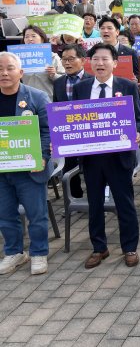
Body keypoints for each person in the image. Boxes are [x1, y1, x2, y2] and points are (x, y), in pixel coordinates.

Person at [73, 44, 140, 269]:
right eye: (95, 59)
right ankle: (99, 248)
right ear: (89, 62)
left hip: (119, 156)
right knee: (95, 204)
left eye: (105, 59)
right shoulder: (81, 88)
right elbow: (71, 119)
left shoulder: (128, 86)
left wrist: (137, 131)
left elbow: (139, 118)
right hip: (91, 157)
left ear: (115, 63)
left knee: (125, 203)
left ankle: (130, 248)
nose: (100, 63)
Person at [0, 52, 52, 276]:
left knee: (36, 213)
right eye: (0, 69)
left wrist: (42, 156)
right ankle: (14, 252)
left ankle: (39, 252)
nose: (4, 73)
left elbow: (49, 131)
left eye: (9, 68)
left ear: (20, 72)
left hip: (30, 167)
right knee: (5, 213)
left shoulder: (37, 97)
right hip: (2, 169)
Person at [52, 43, 94, 198]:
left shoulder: (93, 80)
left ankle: (96, 200)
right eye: (64, 59)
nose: (67, 63)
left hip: (90, 132)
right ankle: (76, 200)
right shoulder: (58, 82)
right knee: (69, 167)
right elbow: (56, 107)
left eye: (71, 59)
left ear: (82, 60)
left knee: (92, 168)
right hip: (68, 132)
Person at [19, 25, 64, 99]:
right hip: (26, 99)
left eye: (33, 36)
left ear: (42, 39)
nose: (30, 39)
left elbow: (64, 80)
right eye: (26, 37)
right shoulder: (18, 59)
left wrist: (54, 74)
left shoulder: (53, 57)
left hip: (48, 98)